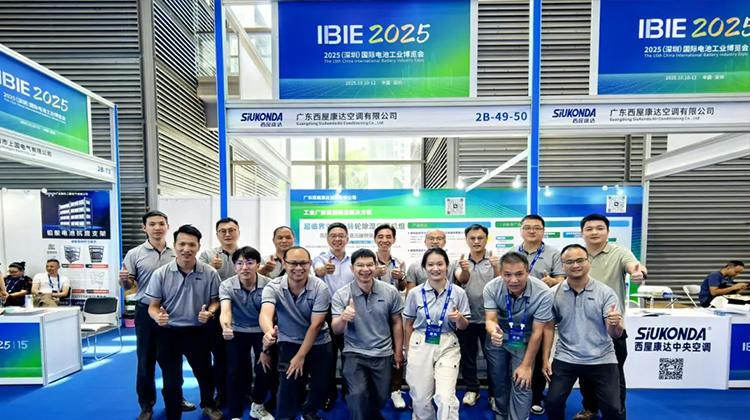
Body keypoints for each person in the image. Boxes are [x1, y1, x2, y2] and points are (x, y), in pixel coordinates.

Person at [120, 211, 196, 420]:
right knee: (146, 360)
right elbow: (128, 286)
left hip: (173, 312)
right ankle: (146, 405)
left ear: (168, 227)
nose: (157, 228)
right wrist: (124, 280)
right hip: (146, 311)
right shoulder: (135, 254)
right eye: (152, 224)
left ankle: (176, 399)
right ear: (144, 228)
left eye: (161, 223)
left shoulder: (177, 251)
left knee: (173, 359)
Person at [145, 224, 224, 420]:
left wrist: (210, 313)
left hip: (197, 332)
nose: (186, 249)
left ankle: (208, 405)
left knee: (205, 374)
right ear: (174, 245)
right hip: (168, 332)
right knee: (171, 380)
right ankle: (173, 414)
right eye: (182, 244)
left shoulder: (209, 273)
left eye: (191, 245)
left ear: (198, 247)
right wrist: (157, 317)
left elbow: (215, 301)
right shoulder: (161, 273)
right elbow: (153, 306)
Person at [577, 214, 646, 420]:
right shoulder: (578, 255)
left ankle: (618, 413)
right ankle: (590, 408)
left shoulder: (620, 253)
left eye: (600, 228)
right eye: (589, 229)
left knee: (614, 374)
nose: (594, 232)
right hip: (582, 327)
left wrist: (639, 273)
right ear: (582, 233)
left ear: (608, 231)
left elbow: (634, 267)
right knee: (585, 373)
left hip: (612, 327)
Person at [544, 244, 624, 420]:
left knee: (612, 409)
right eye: (569, 261)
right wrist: (545, 359)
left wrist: (615, 323)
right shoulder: (553, 293)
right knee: (552, 403)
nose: (575, 265)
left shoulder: (605, 292)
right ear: (562, 265)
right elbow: (548, 327)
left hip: (602, 357)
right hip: (566, 356)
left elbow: (616, 334)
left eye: (580, 260)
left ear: (589, 262)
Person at [331, 248, 404, 420]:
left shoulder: (390, 291)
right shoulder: (341, 294)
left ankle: (372, 415)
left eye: (369, 265)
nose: (365, 269)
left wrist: (398, 351)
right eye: (360, 265)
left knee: (382, 396)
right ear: (352, 268)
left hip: (383, 353)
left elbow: (397, 322)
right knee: (357, 395)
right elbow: (336, 329)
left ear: (376, 266)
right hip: (354, 353)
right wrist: (343, 318)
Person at [260, 246, 332, 420]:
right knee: (288, 384)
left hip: (319, 342)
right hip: (289, 341)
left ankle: (308, 412)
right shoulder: (274, 286)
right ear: (284, 264)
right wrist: (268, 331)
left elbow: (316, 325)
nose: (298, 268)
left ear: (310, 263)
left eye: (303, 263)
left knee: (321, 384)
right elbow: (266, 312)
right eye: (293, 263)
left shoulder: (320, 287)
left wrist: (300, 356)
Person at [484, 252, 554, 420]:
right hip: (498, 337)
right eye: (507, 275)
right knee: (499, 381)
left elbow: (538, 332)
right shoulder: (492, 288)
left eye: (519, 274)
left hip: (525, 339)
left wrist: (526, 366)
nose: (513, 280)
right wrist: (494, 332)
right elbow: (490, 320)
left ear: (528, 271)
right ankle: (502, 414)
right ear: (501, 273)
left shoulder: (543, 293)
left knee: (522, 382)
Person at [404, 248, 470, 420]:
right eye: (430, 264)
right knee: (420, 400)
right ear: (424, 267)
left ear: (447, 266)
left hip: (448, 343)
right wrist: (408, 351)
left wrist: (459, 318)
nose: (435, 268)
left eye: (440, 264)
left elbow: (463, 326)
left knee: (445, 398)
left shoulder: (458, 293)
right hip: (420, 342)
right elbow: (409, 324)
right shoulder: (415, 293)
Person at [514, 215, 564, 416]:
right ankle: (517, 392)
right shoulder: (512, 253)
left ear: (543, 231)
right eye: (527, 227)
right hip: (517, 312)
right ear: (521, 231)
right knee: (519, 354)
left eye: (537, 227)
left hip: (543, 310)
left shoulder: (553, 254)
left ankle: (536, 396)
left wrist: (553, 281)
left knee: (540, 354)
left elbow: (563, 278)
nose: (532, 231)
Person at [219, 246, 276, 420]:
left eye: (250, 262)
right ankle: (235, 413)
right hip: (237, 331)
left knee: (264, 369)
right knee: (235, 371)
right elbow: (225, 310)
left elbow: (269, 313)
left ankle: (257, 405)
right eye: (240, 263)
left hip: (262, 331)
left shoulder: (269, 285)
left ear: (258, 265)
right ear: (234, 266)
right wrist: (226, 326)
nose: (245, 267)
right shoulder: (227, 285)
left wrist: (268, 336)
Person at [453, 224, 501, 407]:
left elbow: (502, 282)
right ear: (466, 240)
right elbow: (462, 279)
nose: (476, 241)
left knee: (494, 358)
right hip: (467, 318)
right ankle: (472, 389)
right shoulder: (461, 262)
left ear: (486, 239)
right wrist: (465, 269)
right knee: (468, 357)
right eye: (472, 238)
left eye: (480, 238)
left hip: (491, 319)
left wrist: (497, 267)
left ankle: (494, 394)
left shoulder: (495, 260)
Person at [199, 217, 242, 407]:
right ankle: (222, 392)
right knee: (219, 356)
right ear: (217, 234)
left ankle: (241, 391)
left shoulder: (245, 254)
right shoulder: (207, 255)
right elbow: (196, 277)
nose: (227, 234)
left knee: (240, 356)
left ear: (238, 233)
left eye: (231, 230)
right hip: (216, 313)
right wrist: (210, 267)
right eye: (222, 231)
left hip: (242, 313)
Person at [312, 222, 355, 410]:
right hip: (327, 312)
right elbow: (318, 270)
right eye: (333, 236)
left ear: (347, 238)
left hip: (350, 312)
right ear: (327, 238)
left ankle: (348, 393)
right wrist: (324, 270)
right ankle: (328, 395)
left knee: (349, 355)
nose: (337, 239)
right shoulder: (320, 258)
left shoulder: (354, 260)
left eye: (341, 235)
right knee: (328, 358)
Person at [372, 224, 408, 409]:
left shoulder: (399, 262)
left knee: (398, 351)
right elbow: (359, 281)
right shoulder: (368, 260)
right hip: (372, 313)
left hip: (393, 312)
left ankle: (396, 390)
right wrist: (373, 273)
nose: (384, 240)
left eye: (388, 236)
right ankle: (374, 389)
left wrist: (400, 278)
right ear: (375, 239)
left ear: (393, 239)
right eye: (380, 236)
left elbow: (402, 288)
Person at [406, 229, 447, 295]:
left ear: (445, 242)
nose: (435, 242)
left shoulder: (453, 264)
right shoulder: (414, 266)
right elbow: (410, 295)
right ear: (425, 241)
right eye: (431, 238)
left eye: (439, 239)